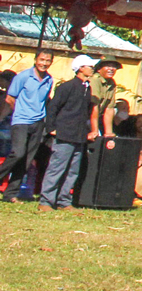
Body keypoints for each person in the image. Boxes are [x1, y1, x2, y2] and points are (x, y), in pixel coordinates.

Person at [39, 54, 97, 210]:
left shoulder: (87, 88)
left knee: (72, 170)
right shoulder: (67, 87)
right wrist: (51, 128)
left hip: (78, 136)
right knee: (57, 168)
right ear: (80, 69)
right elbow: (53, 108)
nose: (92, 69)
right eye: (89, 66)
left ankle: (63, 201)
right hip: (65, 134)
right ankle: (46, 201)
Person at [0, 50, 54, 201]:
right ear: (36, 59)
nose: (44, 63)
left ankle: (10, 193)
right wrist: (20, 111)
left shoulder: (49, 79)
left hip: (38, 123)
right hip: (21, 120)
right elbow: (10, 98)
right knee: (17, 153)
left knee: (27, 159)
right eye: (42, 59)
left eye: (47, 60)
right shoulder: (23, 76)